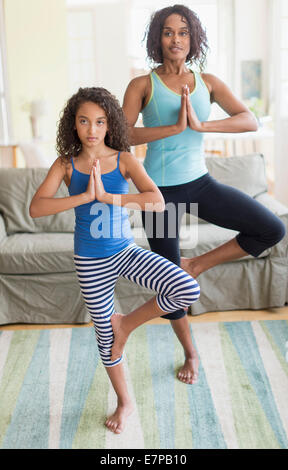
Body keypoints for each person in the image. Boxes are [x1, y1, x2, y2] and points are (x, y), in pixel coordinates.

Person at [122, 4, 286, 385]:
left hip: (200, 182)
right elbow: (122, 135)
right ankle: (190, 353)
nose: (175, 39)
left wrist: (200, 124)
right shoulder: (142, 85)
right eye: (168, 32)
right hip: (158, 192)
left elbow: (249, 119)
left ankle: (195, 265)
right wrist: (172, 128)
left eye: (183, 32)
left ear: (193, 38)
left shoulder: (207, 82)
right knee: (168, 281)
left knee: (270, 228)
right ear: (157, 39)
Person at [29, 86, 200, 434]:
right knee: (105, 340)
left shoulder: (124, 159)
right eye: (84, 121)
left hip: (124, 253)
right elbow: (36, 208)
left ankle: (128, 324)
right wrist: (84, 197)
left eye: (100, 121)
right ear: (73, 125)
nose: (92, 129)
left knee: (185, 286)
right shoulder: (65, 164)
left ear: (109, 125)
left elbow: (155, 200)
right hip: (89, 261)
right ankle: (125, 402)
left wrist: (107, 196)